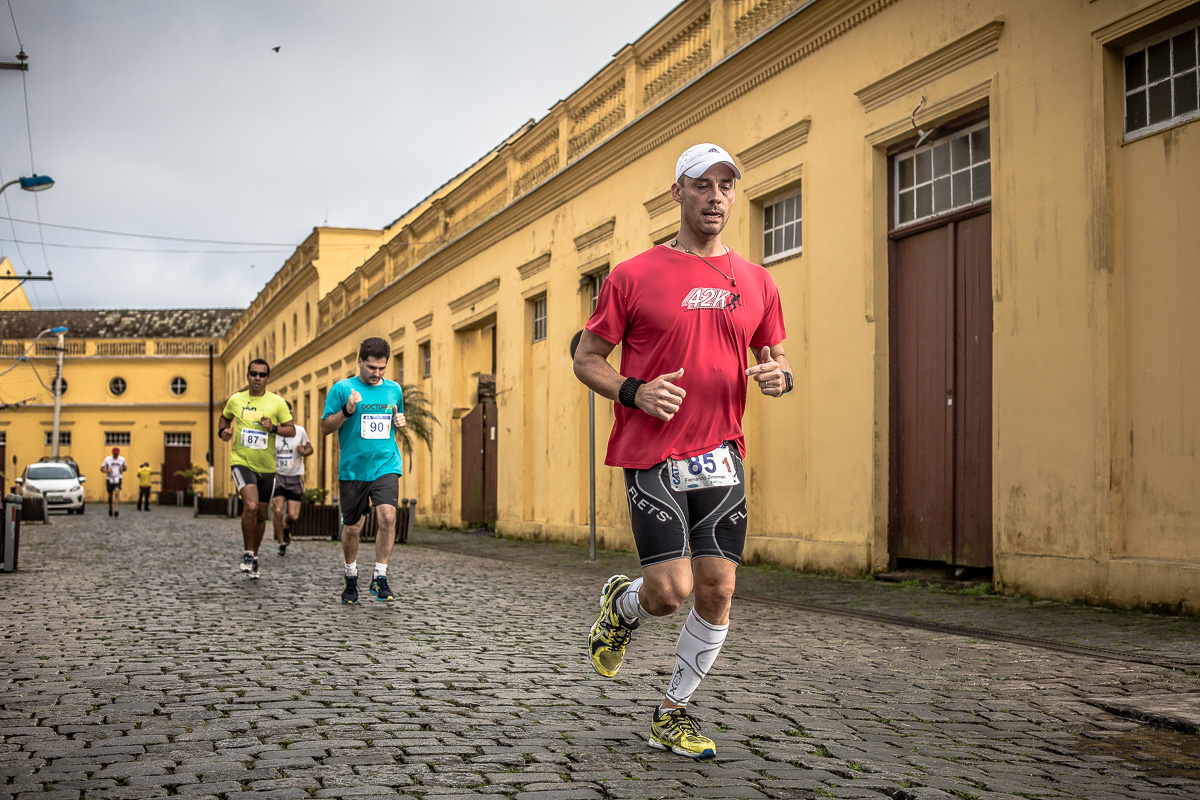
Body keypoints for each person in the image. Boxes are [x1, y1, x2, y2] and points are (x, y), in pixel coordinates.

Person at [572, 143, 792, 760]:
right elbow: (586, 359)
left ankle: (673, 713)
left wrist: (781, 377)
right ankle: (624, 605)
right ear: (678, 193)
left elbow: (777, 359)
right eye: (703, 185)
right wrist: (634, 391)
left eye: (727, 185)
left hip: (722, 452)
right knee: (670, 592)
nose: (717, 196)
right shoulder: (634, 275)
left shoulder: (757, 281)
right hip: (654, 453)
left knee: (717, 587)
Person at [320, 337, 406, 604]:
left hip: (386, 464)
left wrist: (400, 421)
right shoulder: (342, 388)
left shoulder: (394, 390)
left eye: (381, 368)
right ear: (359, 361)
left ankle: (380, 577)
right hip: (353, 470)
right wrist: (347, 410)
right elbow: (325, 427)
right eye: (371, 367)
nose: (376, 373)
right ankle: (350, 577)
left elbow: (395, 417)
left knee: (388, 518)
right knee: (353, 528)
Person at [219, 358, 295, 580]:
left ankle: (255, 556)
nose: (257, 378)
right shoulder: (236, 400)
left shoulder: (277, 403)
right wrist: (222, 432)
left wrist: (273, 428)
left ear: (268, 378)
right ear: (247, 376)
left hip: (267, 467)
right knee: (250, 506)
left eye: (262, 375)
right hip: (241, 461)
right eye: (254, 374)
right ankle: (247, 552)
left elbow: (291, 430)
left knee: (262, 515)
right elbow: (224, 419)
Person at [271, 400, 313, 556]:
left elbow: (310, 448)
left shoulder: (300, 431)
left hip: (294, 477)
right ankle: (281, 542)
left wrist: (304, 451)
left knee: (293, 516)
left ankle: (286, 526)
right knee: (277, 510)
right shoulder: (273, 433)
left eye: (288, 413)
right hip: (277, 476)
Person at [100, 447, 127, 517]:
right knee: (110, 495)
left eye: (116, 454)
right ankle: (110, 508)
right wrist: (107, 471)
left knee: (117, 492)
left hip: (118, 477)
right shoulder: (107, 459)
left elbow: (125, 468)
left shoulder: (122, 459)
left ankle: (116, 509)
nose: (115, 455)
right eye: (114, 454)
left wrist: (122, 469)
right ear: (112, 453)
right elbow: (101, 468)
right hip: (110, 478)